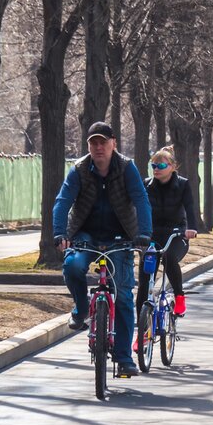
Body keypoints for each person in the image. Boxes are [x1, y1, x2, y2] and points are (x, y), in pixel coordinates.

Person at [53, 121, 152, 378]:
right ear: (88, 146)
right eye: (93, 143)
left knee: (123, 295)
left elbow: (141, 199)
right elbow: (63, 201)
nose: (98, 147)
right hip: (85, 234)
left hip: (121, 236)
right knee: (73, 265)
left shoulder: (127, 168)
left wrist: (144, 234)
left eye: (103, 142)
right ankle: (82, 309)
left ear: (113, 144)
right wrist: (59, 233)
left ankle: (123, 357)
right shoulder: (79, 170)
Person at [135, 147, 197, 318]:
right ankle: (141, 333)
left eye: (161, 165)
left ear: (172, 167)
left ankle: (179, 296)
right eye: (153, 165)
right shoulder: (146, 185)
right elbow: (137, 209)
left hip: (176, 234)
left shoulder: (183, 184)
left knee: (169, 256)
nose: (156, 169)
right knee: (145, 280)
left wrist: (190, 228)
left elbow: (190, 208)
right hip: (152, 235)